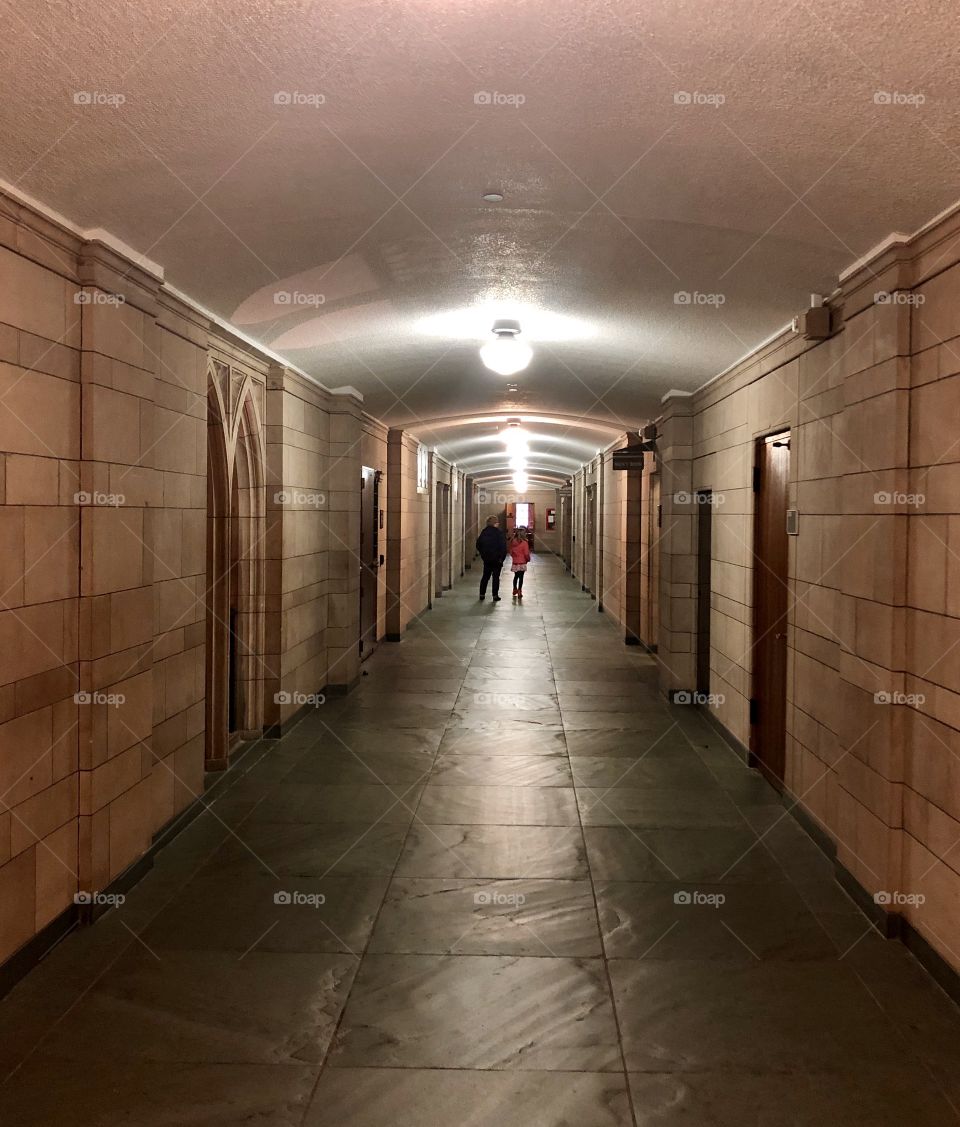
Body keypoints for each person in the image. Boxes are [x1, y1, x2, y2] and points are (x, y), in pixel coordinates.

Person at [476, 516, 507, 602]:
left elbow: (478, 544)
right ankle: (495, 595)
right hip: (497, 560)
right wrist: (501, 558)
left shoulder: (484, 532)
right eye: (497, 522)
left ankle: (482, 594)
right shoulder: (499, 533)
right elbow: (503, 547)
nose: (498, 524)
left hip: (487, 559)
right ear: (495, 523)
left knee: (485, 577)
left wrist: (483, 555)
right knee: (496, 578)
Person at [508, 526, 531, 599]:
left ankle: (514, 589)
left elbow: (510, 551)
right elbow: (526, 553)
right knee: (521, 577)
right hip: (522, 562)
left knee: (516, 576)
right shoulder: (524, 543)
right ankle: (520, 591)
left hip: (515, 562)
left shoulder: (513, 541)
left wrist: (514, 557)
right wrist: (528, 559)